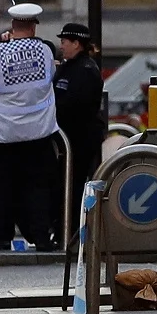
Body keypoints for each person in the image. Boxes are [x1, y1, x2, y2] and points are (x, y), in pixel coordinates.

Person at [0, 3, 62, 250]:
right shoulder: (46, 50)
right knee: (38, 189)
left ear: (12, 26)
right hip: (38, 133)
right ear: (33, 26)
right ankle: (42, 238)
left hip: (3, 135)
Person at [53, 20, 107, 246]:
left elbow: (76, 105)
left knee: (74, 188)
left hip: (78, 140)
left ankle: (72, 233)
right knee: (62, 187)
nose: (62, 46)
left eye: (65, 42)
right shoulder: (68, 67)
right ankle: (62, 231)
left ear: (77, 44)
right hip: (66, 139)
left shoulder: (85, 70)